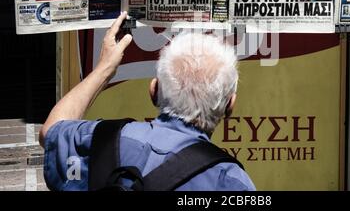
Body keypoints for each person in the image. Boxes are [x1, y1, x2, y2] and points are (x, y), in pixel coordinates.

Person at [39, 12, 255, 191]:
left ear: (153, 90)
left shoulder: (102, 140)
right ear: (230, 106)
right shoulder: (230, 181)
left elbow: (51, 131)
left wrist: (104, 69)